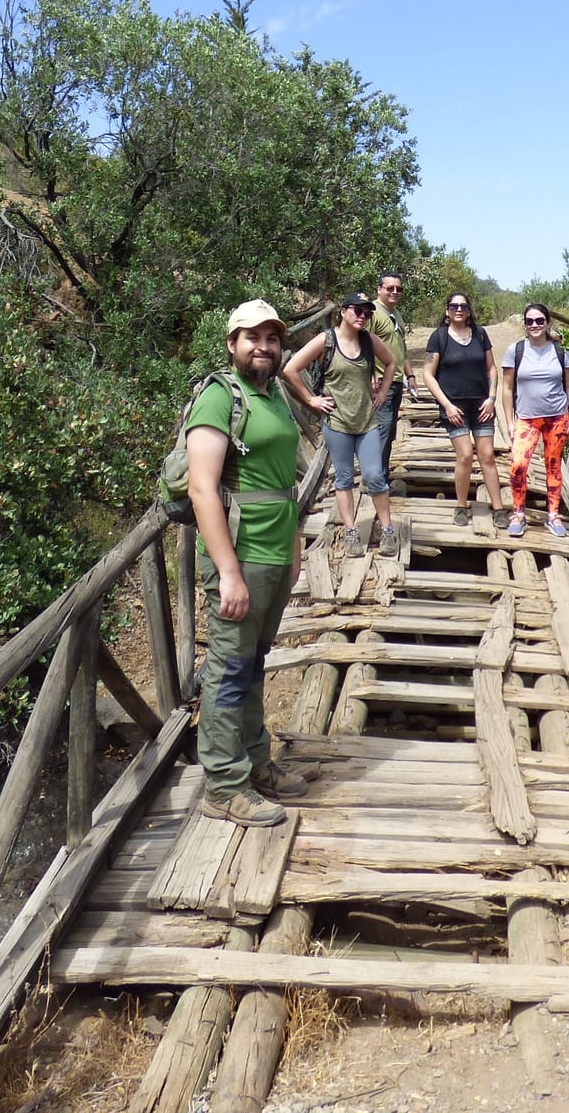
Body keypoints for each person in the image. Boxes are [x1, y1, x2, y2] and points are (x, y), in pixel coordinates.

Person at [186, 299, 309, 826]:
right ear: (232, 343)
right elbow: (201, 488)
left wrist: (297, 541)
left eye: (272, 338)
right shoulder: (219, 397)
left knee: (255, 663)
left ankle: (257, 762)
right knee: (229, 671)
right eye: (252, 337)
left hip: (277, 549)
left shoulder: (275, 391)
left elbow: (284, 478)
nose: (264, 346)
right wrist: (229, 571)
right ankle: (223, 784)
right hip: (241, 555)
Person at [284, 292, 399, 556]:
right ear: (344, 312)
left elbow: (392, 362)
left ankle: (388, 530)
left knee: (374, 476)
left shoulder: (369, 341)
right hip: (337, 423)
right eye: (357, 311)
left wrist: (382, 392)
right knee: (344, 478)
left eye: (367, 312)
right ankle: (350, 532)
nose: (362, 316)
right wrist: (311, 400)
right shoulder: (326, 341)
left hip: (366, 421)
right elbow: (291, 369)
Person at [421, 292, 505, 528]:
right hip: (454, 406)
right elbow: (428, 374)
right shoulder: (439, 337)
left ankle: (498, 508)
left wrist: (492, 397)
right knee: (466, 455)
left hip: (482, 405)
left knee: (487, 456)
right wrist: (446, 405)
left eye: (463, 306)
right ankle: (461, 505)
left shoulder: (480, 334)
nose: (459, 309)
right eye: (454, 306)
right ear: (447, 310)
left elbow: (492, 369)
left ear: (469, 311)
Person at [498, 303, 569, 539]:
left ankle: (553, 515)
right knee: (518, 465)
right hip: (526, 419)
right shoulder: (516, 350)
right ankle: (518, 513)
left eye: (539, 320)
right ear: (524, 324)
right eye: (530, 321)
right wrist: (510, 422)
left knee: (553, 466)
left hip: (557, 417)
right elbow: (507, 387)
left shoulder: (562, 352)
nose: (535, 325)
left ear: (547, 323)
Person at [366, 271, 418, 464]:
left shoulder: (396, 313)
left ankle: (381, 475)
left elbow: (402, 348)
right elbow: (363, 346)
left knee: (389, 431)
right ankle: (374, 479)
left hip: (396, 381)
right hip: (379, 381)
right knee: (382, 429)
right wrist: (370, 376)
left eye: (399, 289)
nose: (395, 292)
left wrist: (410, 375)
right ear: (379, 289)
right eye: (390, 288)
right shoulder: (372, 312)